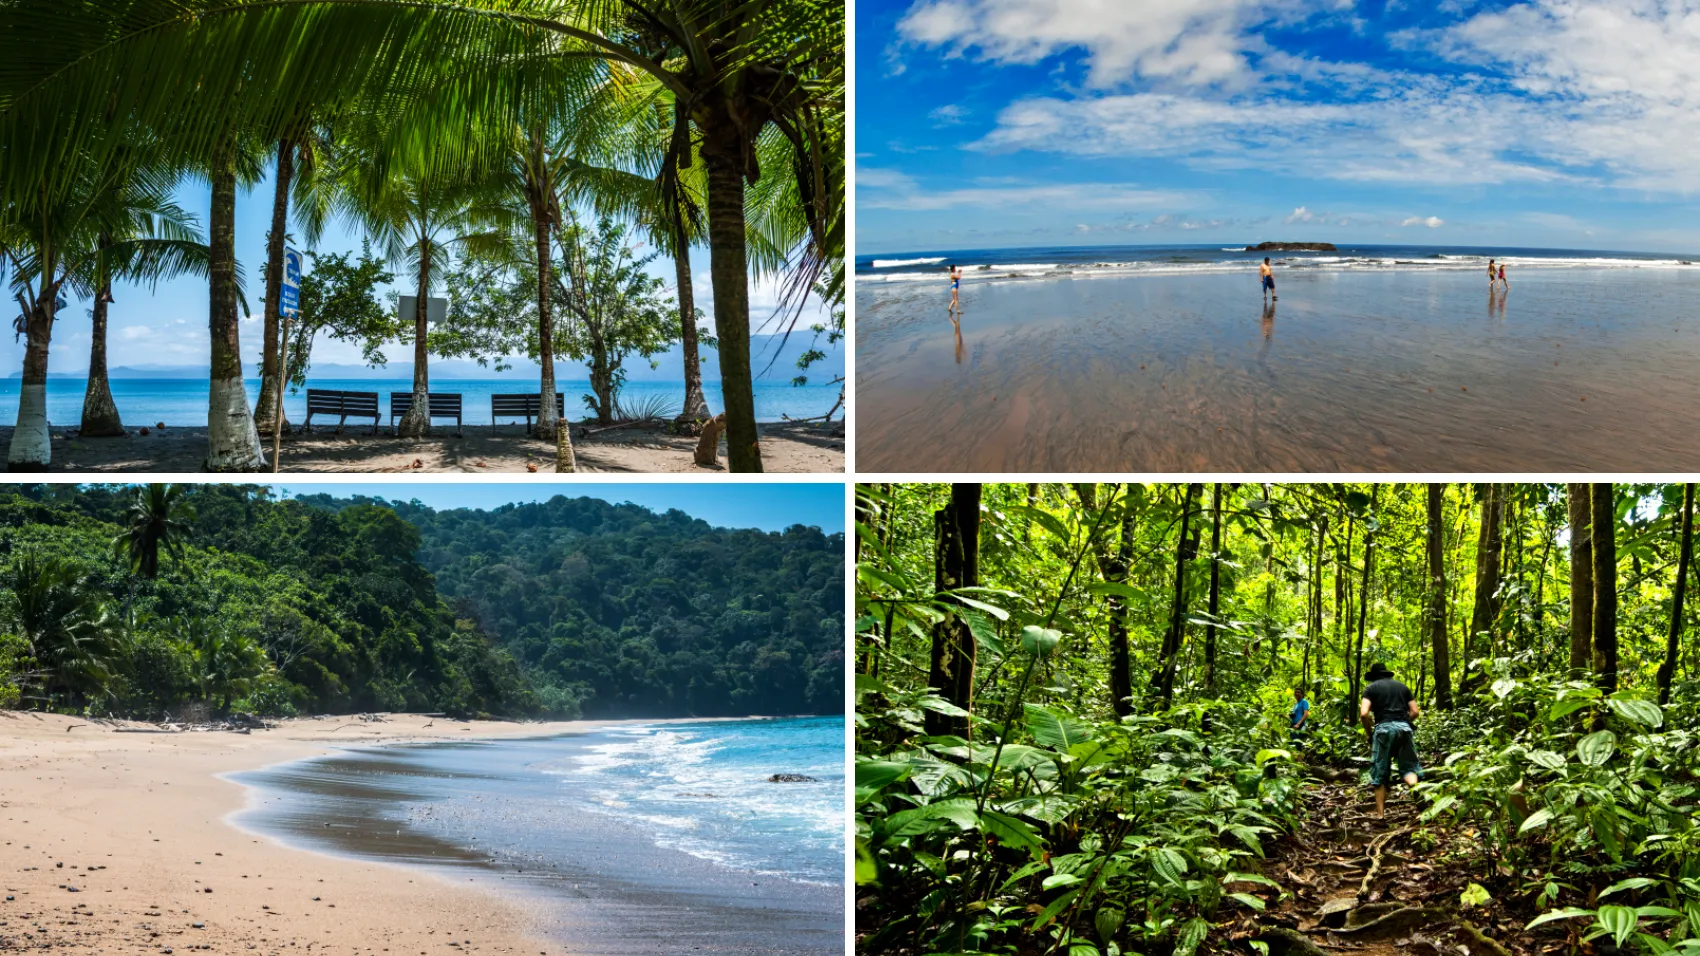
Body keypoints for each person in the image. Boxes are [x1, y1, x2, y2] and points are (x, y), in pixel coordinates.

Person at [1360, 662, 1422, 818]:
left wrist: (1369, 734)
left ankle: (1380, 816)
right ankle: (1419, 798)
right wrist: (1402, 721)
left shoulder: (1371, 689)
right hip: (1405, 729)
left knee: (1380, 771)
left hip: (1383, 730)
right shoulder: (1402, 687)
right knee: (1409, 767)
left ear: (1373, 677)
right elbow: (1415, 711)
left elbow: (1363, 714)